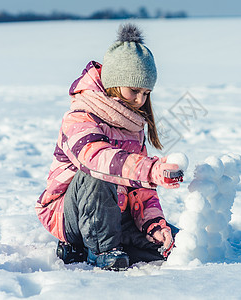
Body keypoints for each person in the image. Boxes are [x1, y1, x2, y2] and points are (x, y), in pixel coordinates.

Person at [35, 23, 182, 271]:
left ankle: (112, 241)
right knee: (97, 175)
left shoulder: (133, 126)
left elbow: (139, 189)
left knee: (176, 246)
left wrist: (154, 225)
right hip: (70, 213)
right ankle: (102, 249)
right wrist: (150, 169)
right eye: (134, 90)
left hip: (116, 213)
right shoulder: (81, 116)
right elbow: (96, 158)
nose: (140, 100)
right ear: (114, 83)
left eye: (146, 93)